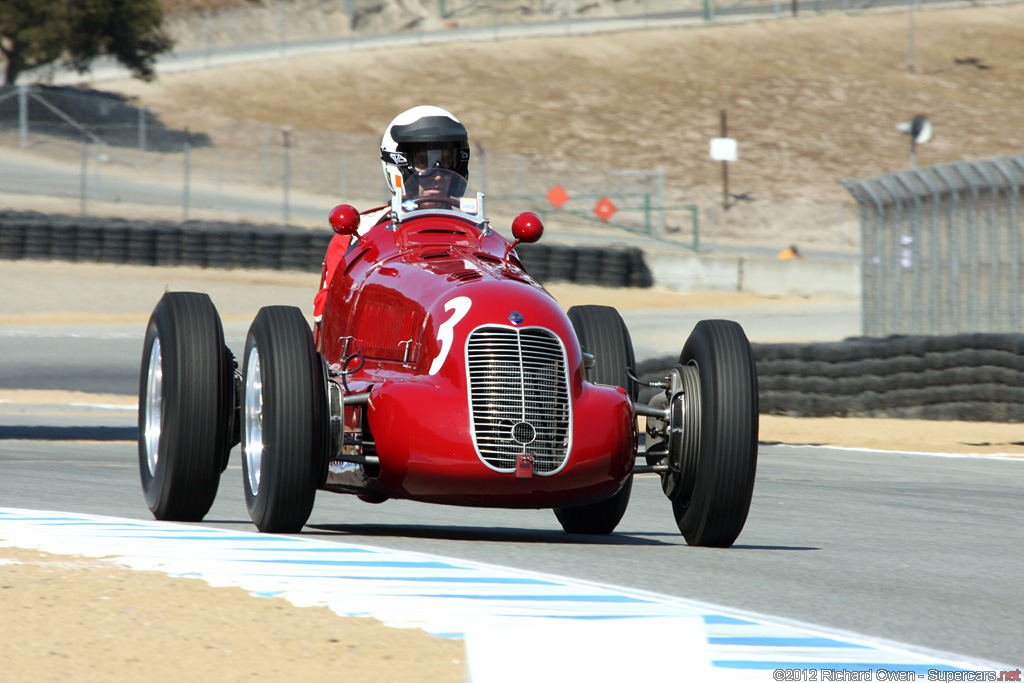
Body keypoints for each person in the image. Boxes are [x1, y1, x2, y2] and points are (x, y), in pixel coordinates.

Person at [313, 106, 471, 326]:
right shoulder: (359, 231)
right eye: (423, 163)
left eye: (445, 162)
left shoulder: (477, 234)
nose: (438, 174)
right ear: (398, 165)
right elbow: (325, 312)